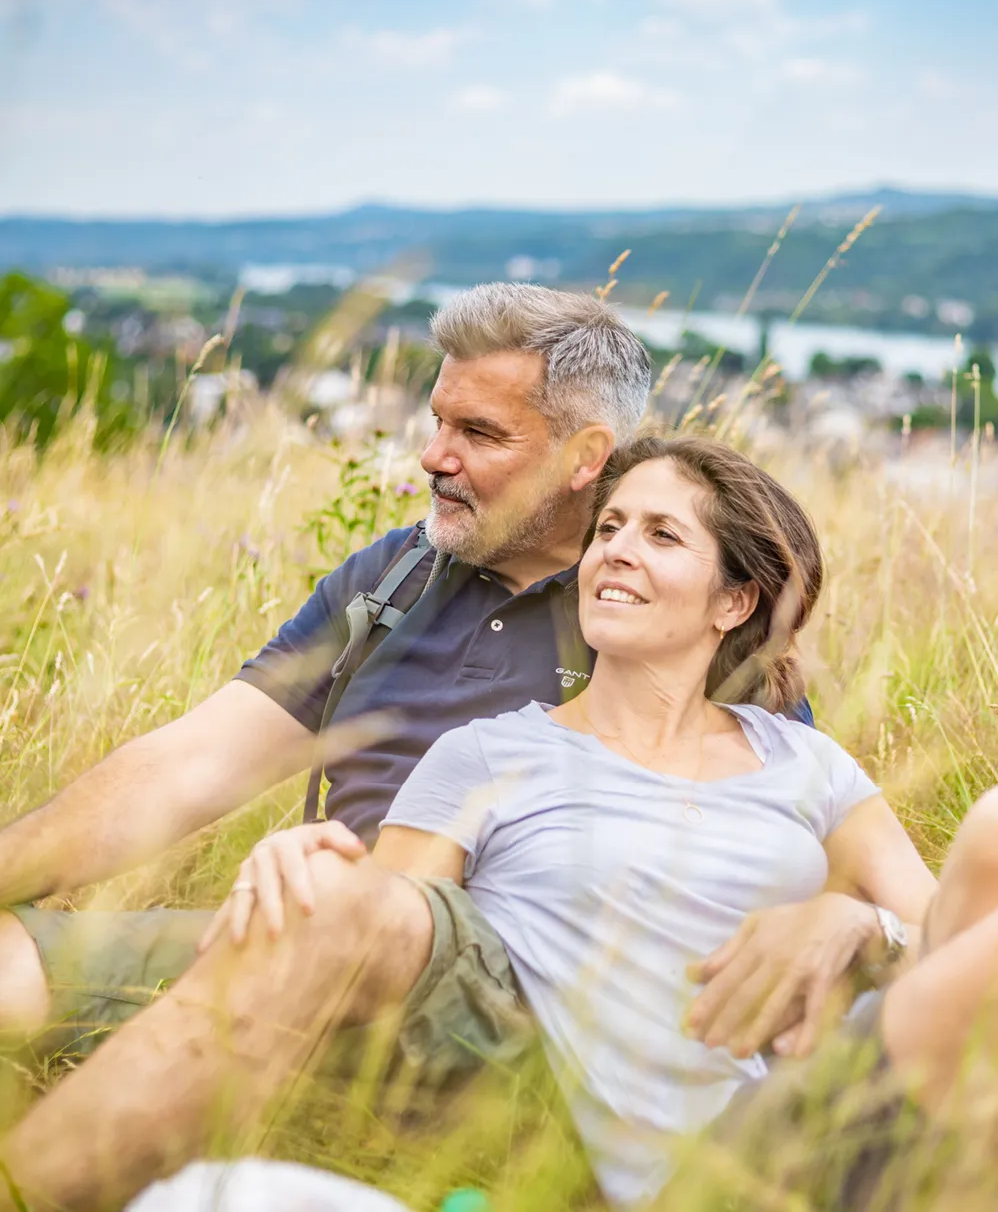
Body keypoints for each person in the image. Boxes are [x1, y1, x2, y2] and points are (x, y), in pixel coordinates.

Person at [4, 436, 990, 1212]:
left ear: (734, 598)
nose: (613, 551)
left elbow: (949, 935)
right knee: (327, 906)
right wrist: (312, 866)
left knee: (987, 834)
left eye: (659, 535)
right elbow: (387, 931)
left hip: (781, 1134)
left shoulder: (803, 761)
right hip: (555, 1122)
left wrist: (853, 923)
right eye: (608, 526)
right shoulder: (493, 754)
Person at [0, 283, 841, 1069]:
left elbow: (785, 854)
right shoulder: (393, 578)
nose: (435, 456)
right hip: (327, 939)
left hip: (532, 1003)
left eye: (479, 433)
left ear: (585, 456)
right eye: (438, 421)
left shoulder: (663, 609)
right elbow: (191, 765)